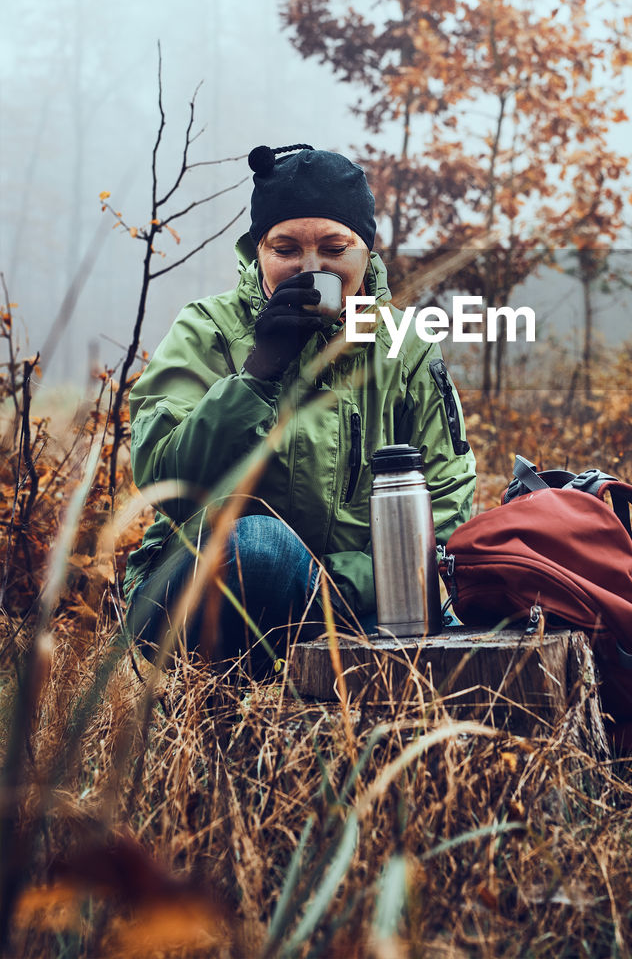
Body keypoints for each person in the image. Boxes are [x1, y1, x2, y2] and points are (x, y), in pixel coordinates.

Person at [124, 143, 476, 672]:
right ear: (258, 251)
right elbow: (165, 480)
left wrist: (338, 582)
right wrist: (258, 375)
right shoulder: (208, 329)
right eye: (286, 248)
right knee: (259, 545)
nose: (310, 268)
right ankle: (235, 728)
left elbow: (445, 511)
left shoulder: (406, 348)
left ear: (366, 252)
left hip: (352, 603)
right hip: (200, 596)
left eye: (335, 248)